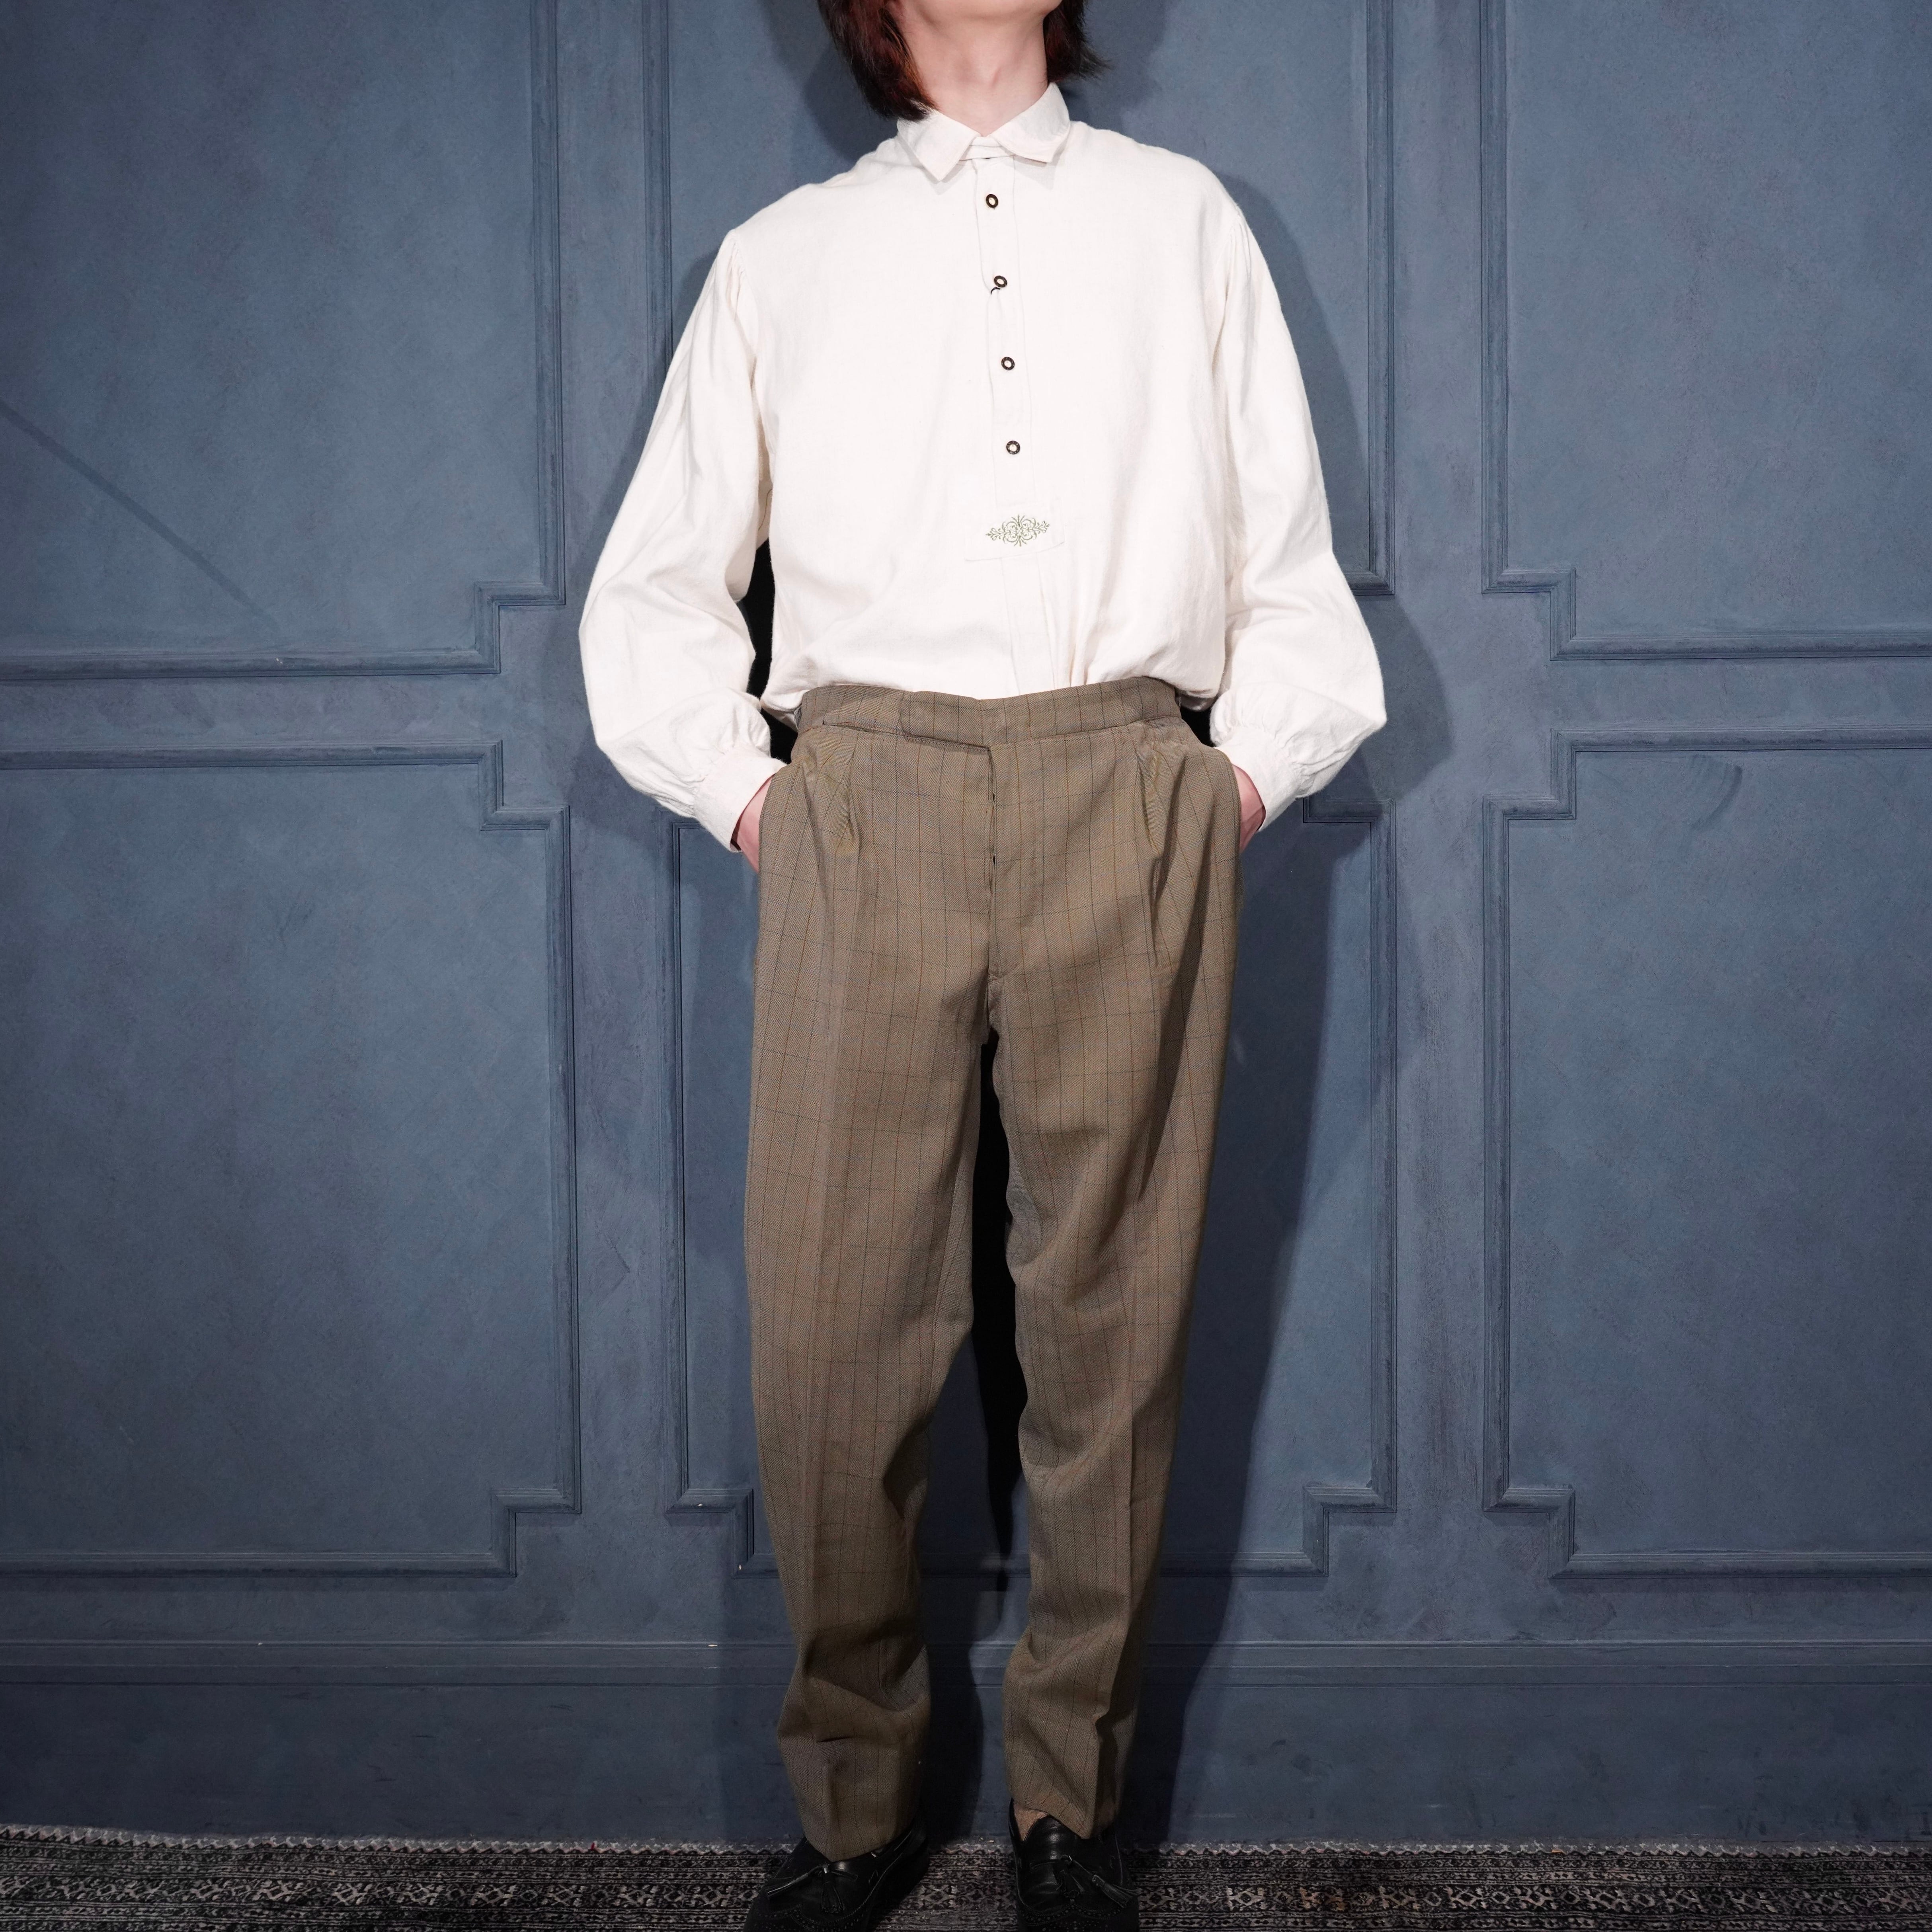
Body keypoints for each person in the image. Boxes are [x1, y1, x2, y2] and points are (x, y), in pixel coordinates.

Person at [580, 1, 1385, 1924]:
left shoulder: (1182, 222)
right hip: (866, 794)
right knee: (832, 1337)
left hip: (1126, 782)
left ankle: (1067, 1810)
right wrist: (768, 805)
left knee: (1110, 1324)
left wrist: (1218, 787)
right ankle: (856, 1797)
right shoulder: (782, 260)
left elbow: (1288, 574)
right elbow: (653, 595)